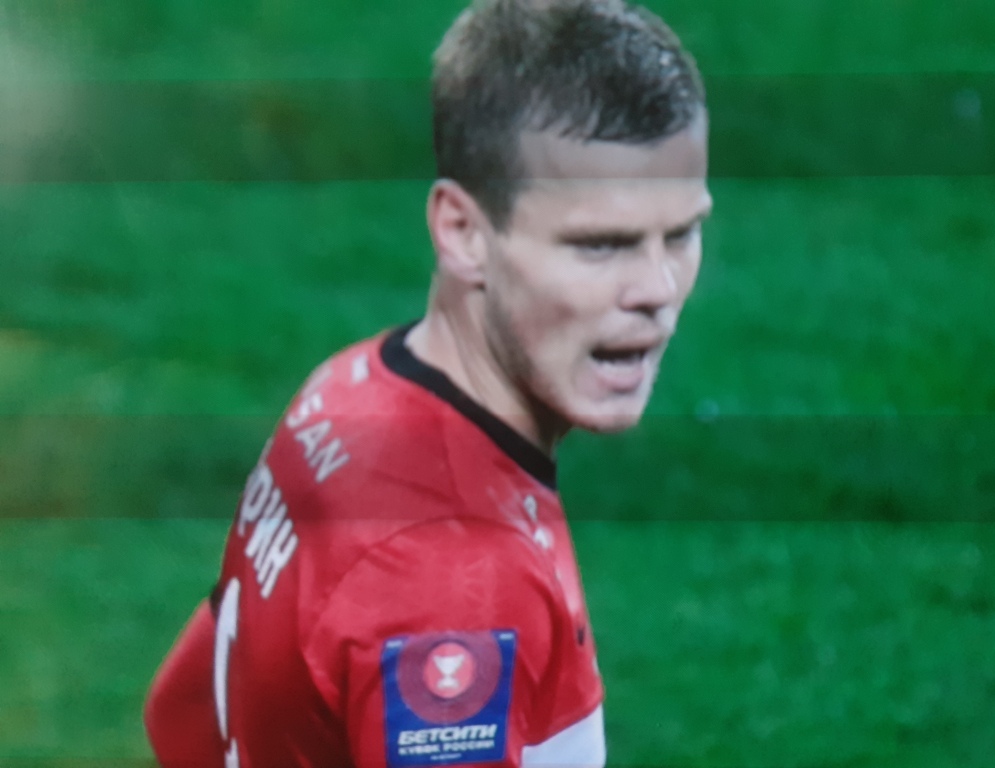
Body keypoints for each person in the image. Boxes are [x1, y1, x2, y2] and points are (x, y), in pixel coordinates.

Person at [143, 0, 711, 765]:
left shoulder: (350, 388)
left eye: (681, 233)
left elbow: (181, 712)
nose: (657, 288)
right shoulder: (456, 584)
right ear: (463, 232)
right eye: (600, 244)